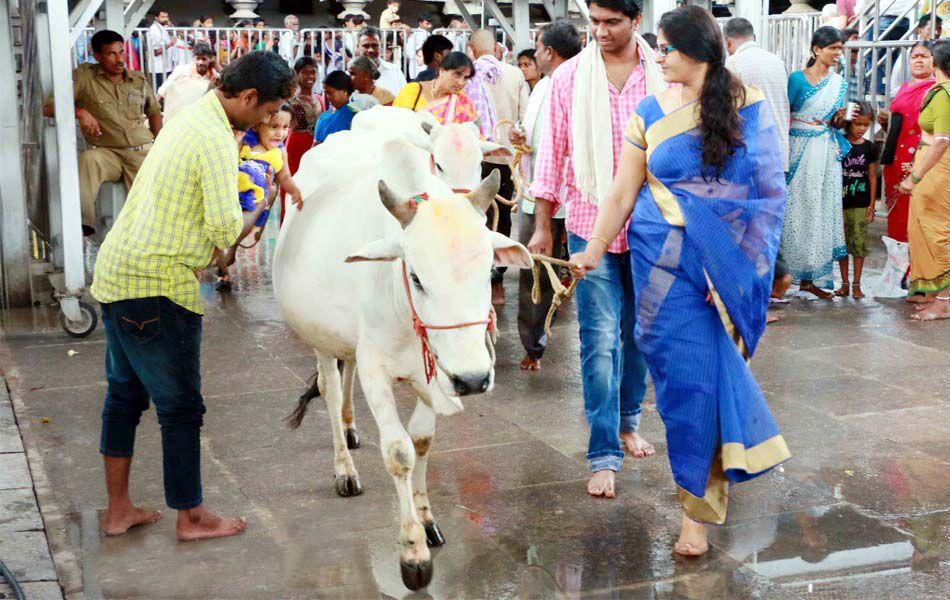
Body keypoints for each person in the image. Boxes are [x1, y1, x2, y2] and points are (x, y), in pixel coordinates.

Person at [569, 5, 790, 557]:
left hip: (721, 270)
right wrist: (593, 249)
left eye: (665, 47)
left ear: (696, 49)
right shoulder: (649, 110)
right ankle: (704, 488)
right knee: (679, 386)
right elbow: (623, 190)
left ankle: (696, 507)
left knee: (704, 381)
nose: (658, 56)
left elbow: (765, 194)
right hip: (658, 263)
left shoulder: (746, 106)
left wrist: (733, 269)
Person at [90, 51, 296, 541]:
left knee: (124, 396)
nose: (270, 120)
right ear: (247, 97)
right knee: (181, 407)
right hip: (157, 285)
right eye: (269, 110)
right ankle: (192, 516)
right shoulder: (214, 140)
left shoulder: (190, 116)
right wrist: (261, 204)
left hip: (119, 272)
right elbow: (225, 227)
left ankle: (118, 510)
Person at [528, 0, 665, 498]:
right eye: (595, 23)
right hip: (589, 223)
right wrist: (544, 225)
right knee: (599, 336)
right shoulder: (570, 80)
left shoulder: (664, 75)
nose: (601, 32)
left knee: (640, 333)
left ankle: (629, 420)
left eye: (612, 23)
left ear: (636, 22)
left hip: (652, 224)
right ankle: (603, 452)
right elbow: (552, 153)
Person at [510, 20, 583, 371]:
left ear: (549, 52)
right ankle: (534, 345)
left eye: (537, 49)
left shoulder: (582, 86)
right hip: (536, 192)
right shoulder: (540, 88)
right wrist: (519, 139)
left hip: (574, 198)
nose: (534, 55)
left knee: (583, 273)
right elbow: (536, 137)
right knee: (532, 270)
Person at [43, 30, 162, 237]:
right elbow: (48, 108)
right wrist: (80, 112)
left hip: (141, 153)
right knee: (89, 160)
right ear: (97, 56)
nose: (119, 60)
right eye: (111, 54)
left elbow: (153, 113)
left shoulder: (138, 80)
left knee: (149, 214)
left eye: (121, 53)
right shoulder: (84, 77)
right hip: (108, 153)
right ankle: (82, 223)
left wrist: (161, 145)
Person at [782, 27, 849, 300]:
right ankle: (784, 276)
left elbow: (837, 123)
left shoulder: (838, 83)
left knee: (820, 209)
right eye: (832, 48)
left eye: (840, 48)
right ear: (816, 49)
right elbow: (785, 113)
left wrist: (841, 118)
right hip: (798, 148)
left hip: (824, 150)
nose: (837, 53)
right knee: (795, 209)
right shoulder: (797, 79)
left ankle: (809, 279)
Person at [466, 28, 530, 305]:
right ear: (495, 47)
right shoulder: (515, 75)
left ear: (471, 49)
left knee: (471, 216)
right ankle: (497, 283)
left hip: (471, 158)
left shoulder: (464, 74)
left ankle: (472, 277)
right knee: (502, 218)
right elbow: (525, 119)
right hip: (504, 158)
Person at [216, 106, 301, 290]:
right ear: (257, 126)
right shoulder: (245, 144)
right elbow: (227, 160)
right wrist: (235, 142)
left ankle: (231, 250)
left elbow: (284, 177)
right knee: (221, 233)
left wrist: (294, 191)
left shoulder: (280, 152)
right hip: (232, 196)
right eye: (273, 127)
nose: (280, 133)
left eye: (285, 127)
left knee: (240, 231)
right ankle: (223, 271)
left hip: (256, 203)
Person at [903, 40, 950, 319]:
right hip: (930, 163)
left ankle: (945, 300)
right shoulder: (939, 91)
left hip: (938, 168)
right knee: (925, 227)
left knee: (938, 232)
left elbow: (942, 141)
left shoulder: (944, 94)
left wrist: (916, 177)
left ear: (935, 63)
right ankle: (937, 293)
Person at [879, 41, 937, 243]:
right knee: (897, 217)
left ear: (934, 60)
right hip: (896, 160)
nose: (919, 60)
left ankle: (918, 269)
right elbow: (900, 128)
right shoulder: (903, 88)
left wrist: (918, 162)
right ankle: (899, 268)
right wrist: (886, 123)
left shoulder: (936, 90)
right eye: (915, 56)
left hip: (919, 161)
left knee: (916, 217)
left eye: (924, 56)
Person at [724, 17, 791, 172]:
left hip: (751, 149)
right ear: (754, 38)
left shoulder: (733, 63)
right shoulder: (777, 61)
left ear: (728, 42)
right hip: (778, 147)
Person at [836, 101, 879, 300]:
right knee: (842, 245)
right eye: (857, 124)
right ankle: (844, 284)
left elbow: (872, 176)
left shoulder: (869, 148)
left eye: (866, 125)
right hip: (840, 203)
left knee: (859, 245)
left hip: (861, 204)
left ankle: (857, 285)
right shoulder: (839, 142)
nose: (862, 129)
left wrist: (871, 205)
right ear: (849, 124)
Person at [282, 57, 323, 225]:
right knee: (292, 184)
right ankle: (287, 226)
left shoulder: (320, 99)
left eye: (313, 72)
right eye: (304, 72)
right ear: (297, 74)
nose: (309, 76)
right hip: (295, 146)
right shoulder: (290, 100)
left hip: (315, 147)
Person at [392, 51, 478, 124]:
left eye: (466, 78)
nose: (460, 82)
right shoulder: (414, 90)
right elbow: (397, 123)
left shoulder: (463, 101)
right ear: (442, 70)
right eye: (457, 74)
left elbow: (471, 135)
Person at [157, 42, 219, 123]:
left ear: (210, 60)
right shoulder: (181, 70)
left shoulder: (213, 75)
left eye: (204, 59)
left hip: (198, 120)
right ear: (193, 58)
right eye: (198, 58)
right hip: (175, 118)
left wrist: (217, 66)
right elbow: (162, 91)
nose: (200, 62)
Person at [314, 71, 379, 143]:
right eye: (326, 93)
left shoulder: (358, 106)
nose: (327, 97)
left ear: (344, 92)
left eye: (330, 93)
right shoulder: (324, 117)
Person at [889, 16, 943, 95]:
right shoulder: (909, 53)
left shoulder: (941, 51)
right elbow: (895, 86)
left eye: (939, 28)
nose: (936, 33)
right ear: (919, 30)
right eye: (930, 29)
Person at [357, 27, 407, 96]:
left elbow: (405, 100)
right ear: (357, 47)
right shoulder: (349, 76)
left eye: (375, 46)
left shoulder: (395, 71)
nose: (370, 50)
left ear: (380, 46)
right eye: (366, 46)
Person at [147, 10, 175, 87]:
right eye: (162, 17)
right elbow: (155, 52)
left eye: (167, 17)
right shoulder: (154, 30)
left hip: (167, 67)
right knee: (160, 93)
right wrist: (170, 44)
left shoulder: (165, 28)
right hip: (158, 68)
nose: (165, 19)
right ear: (156, 17)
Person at [406, 15, 434, 80]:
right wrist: (419, 53)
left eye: (430, 24)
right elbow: (408, 53)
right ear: (420, 23)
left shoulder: (429, 34)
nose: (430, 26)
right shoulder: (414, 35)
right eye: (427, 24)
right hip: (416, 68)